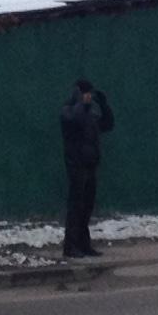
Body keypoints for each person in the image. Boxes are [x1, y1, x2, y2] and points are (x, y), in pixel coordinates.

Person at [59, 78, 115, 261]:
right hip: (76, 165)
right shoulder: (69, 110)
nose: (88, 97)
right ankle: (70, 246)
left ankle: (83, 244)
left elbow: (107, 124)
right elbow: (74, 120)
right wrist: (79, 101)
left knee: (86, 207)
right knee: (75, 206)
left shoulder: (90, 115)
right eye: (86, 93)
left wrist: (104, 105)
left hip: (90, 165)